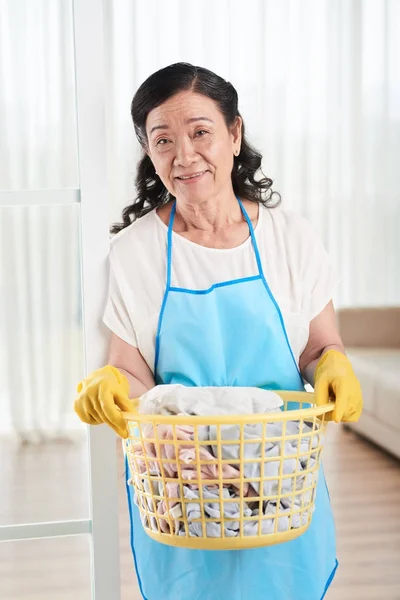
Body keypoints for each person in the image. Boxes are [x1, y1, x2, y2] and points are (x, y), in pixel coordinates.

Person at [74, 63, 363, 600]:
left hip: (278, 481)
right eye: (163, 140)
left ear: (234, 134)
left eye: (200, 132)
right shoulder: (134, 252)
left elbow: (320, 345)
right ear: (149, 152)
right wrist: (113, 381)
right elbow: (131, 370)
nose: (184, 156)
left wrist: (334, 364)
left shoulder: (290, 238)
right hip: (185, 485)